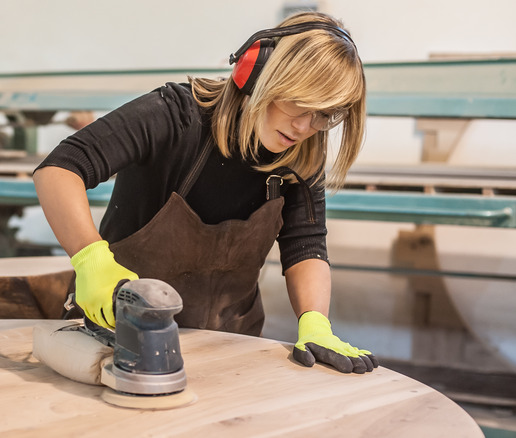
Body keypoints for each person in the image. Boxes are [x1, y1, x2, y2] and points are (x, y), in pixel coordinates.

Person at [33, 11, 378, 374]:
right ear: (258, 73)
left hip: (227, 351)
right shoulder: (176, 115)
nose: (305, 126)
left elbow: (306, 246)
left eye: (324, 115)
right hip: (116, 341)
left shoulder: (301, 155)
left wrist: (315, 323)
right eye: (298, 103)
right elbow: (61, 167)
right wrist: (91, 261)